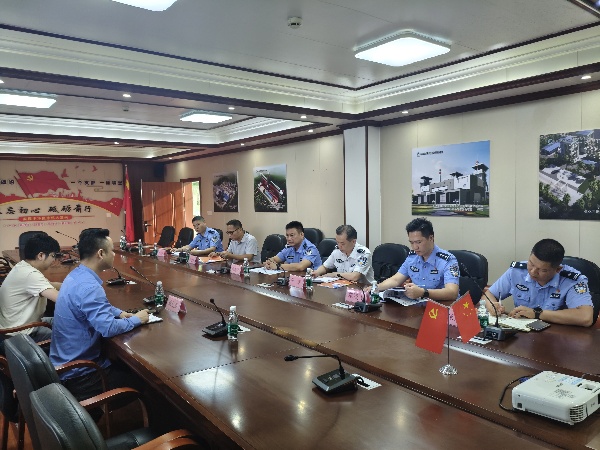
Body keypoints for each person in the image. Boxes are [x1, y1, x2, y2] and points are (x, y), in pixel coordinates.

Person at [50, 228, 149, 402]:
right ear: (101, 253)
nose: (114, 254)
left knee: (126, 366)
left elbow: (94, 306)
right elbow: (108, 328)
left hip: (66, 364)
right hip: (82, 376)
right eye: (112, 250)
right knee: (148, 382)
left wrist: (119, 313)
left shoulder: (76, 275)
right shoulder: (89, 287)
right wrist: (136, 319)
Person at [484, 238, 593, 327]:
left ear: (557, 269)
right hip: (523, 334)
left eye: (542, 270)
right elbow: (489, 294)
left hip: (557, 336)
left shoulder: (572, 280)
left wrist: (537, 314)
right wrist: (492, 305)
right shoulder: (516, 271)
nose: (533, 272)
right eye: (531, 264)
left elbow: (585, 317)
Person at [375, 217, 459, 300]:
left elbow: (452, 293)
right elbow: (396, 280)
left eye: (419, 242)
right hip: (417, 304)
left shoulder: (447, 260)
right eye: (411, 243)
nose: (415, 247)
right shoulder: (412, 257)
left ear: (431, 238)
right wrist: (375, 288)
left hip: (440, 306)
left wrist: (423, 293)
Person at [0, 233, 62, 342]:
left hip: (14, 325)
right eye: (53, 256)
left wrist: (71, 286)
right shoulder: (31, 275)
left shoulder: (23, 266)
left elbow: (50, 284)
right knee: (68, 335)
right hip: (19, 334)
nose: (54, 260)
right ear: (41, 255)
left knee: (61, 321)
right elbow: (63, 300)